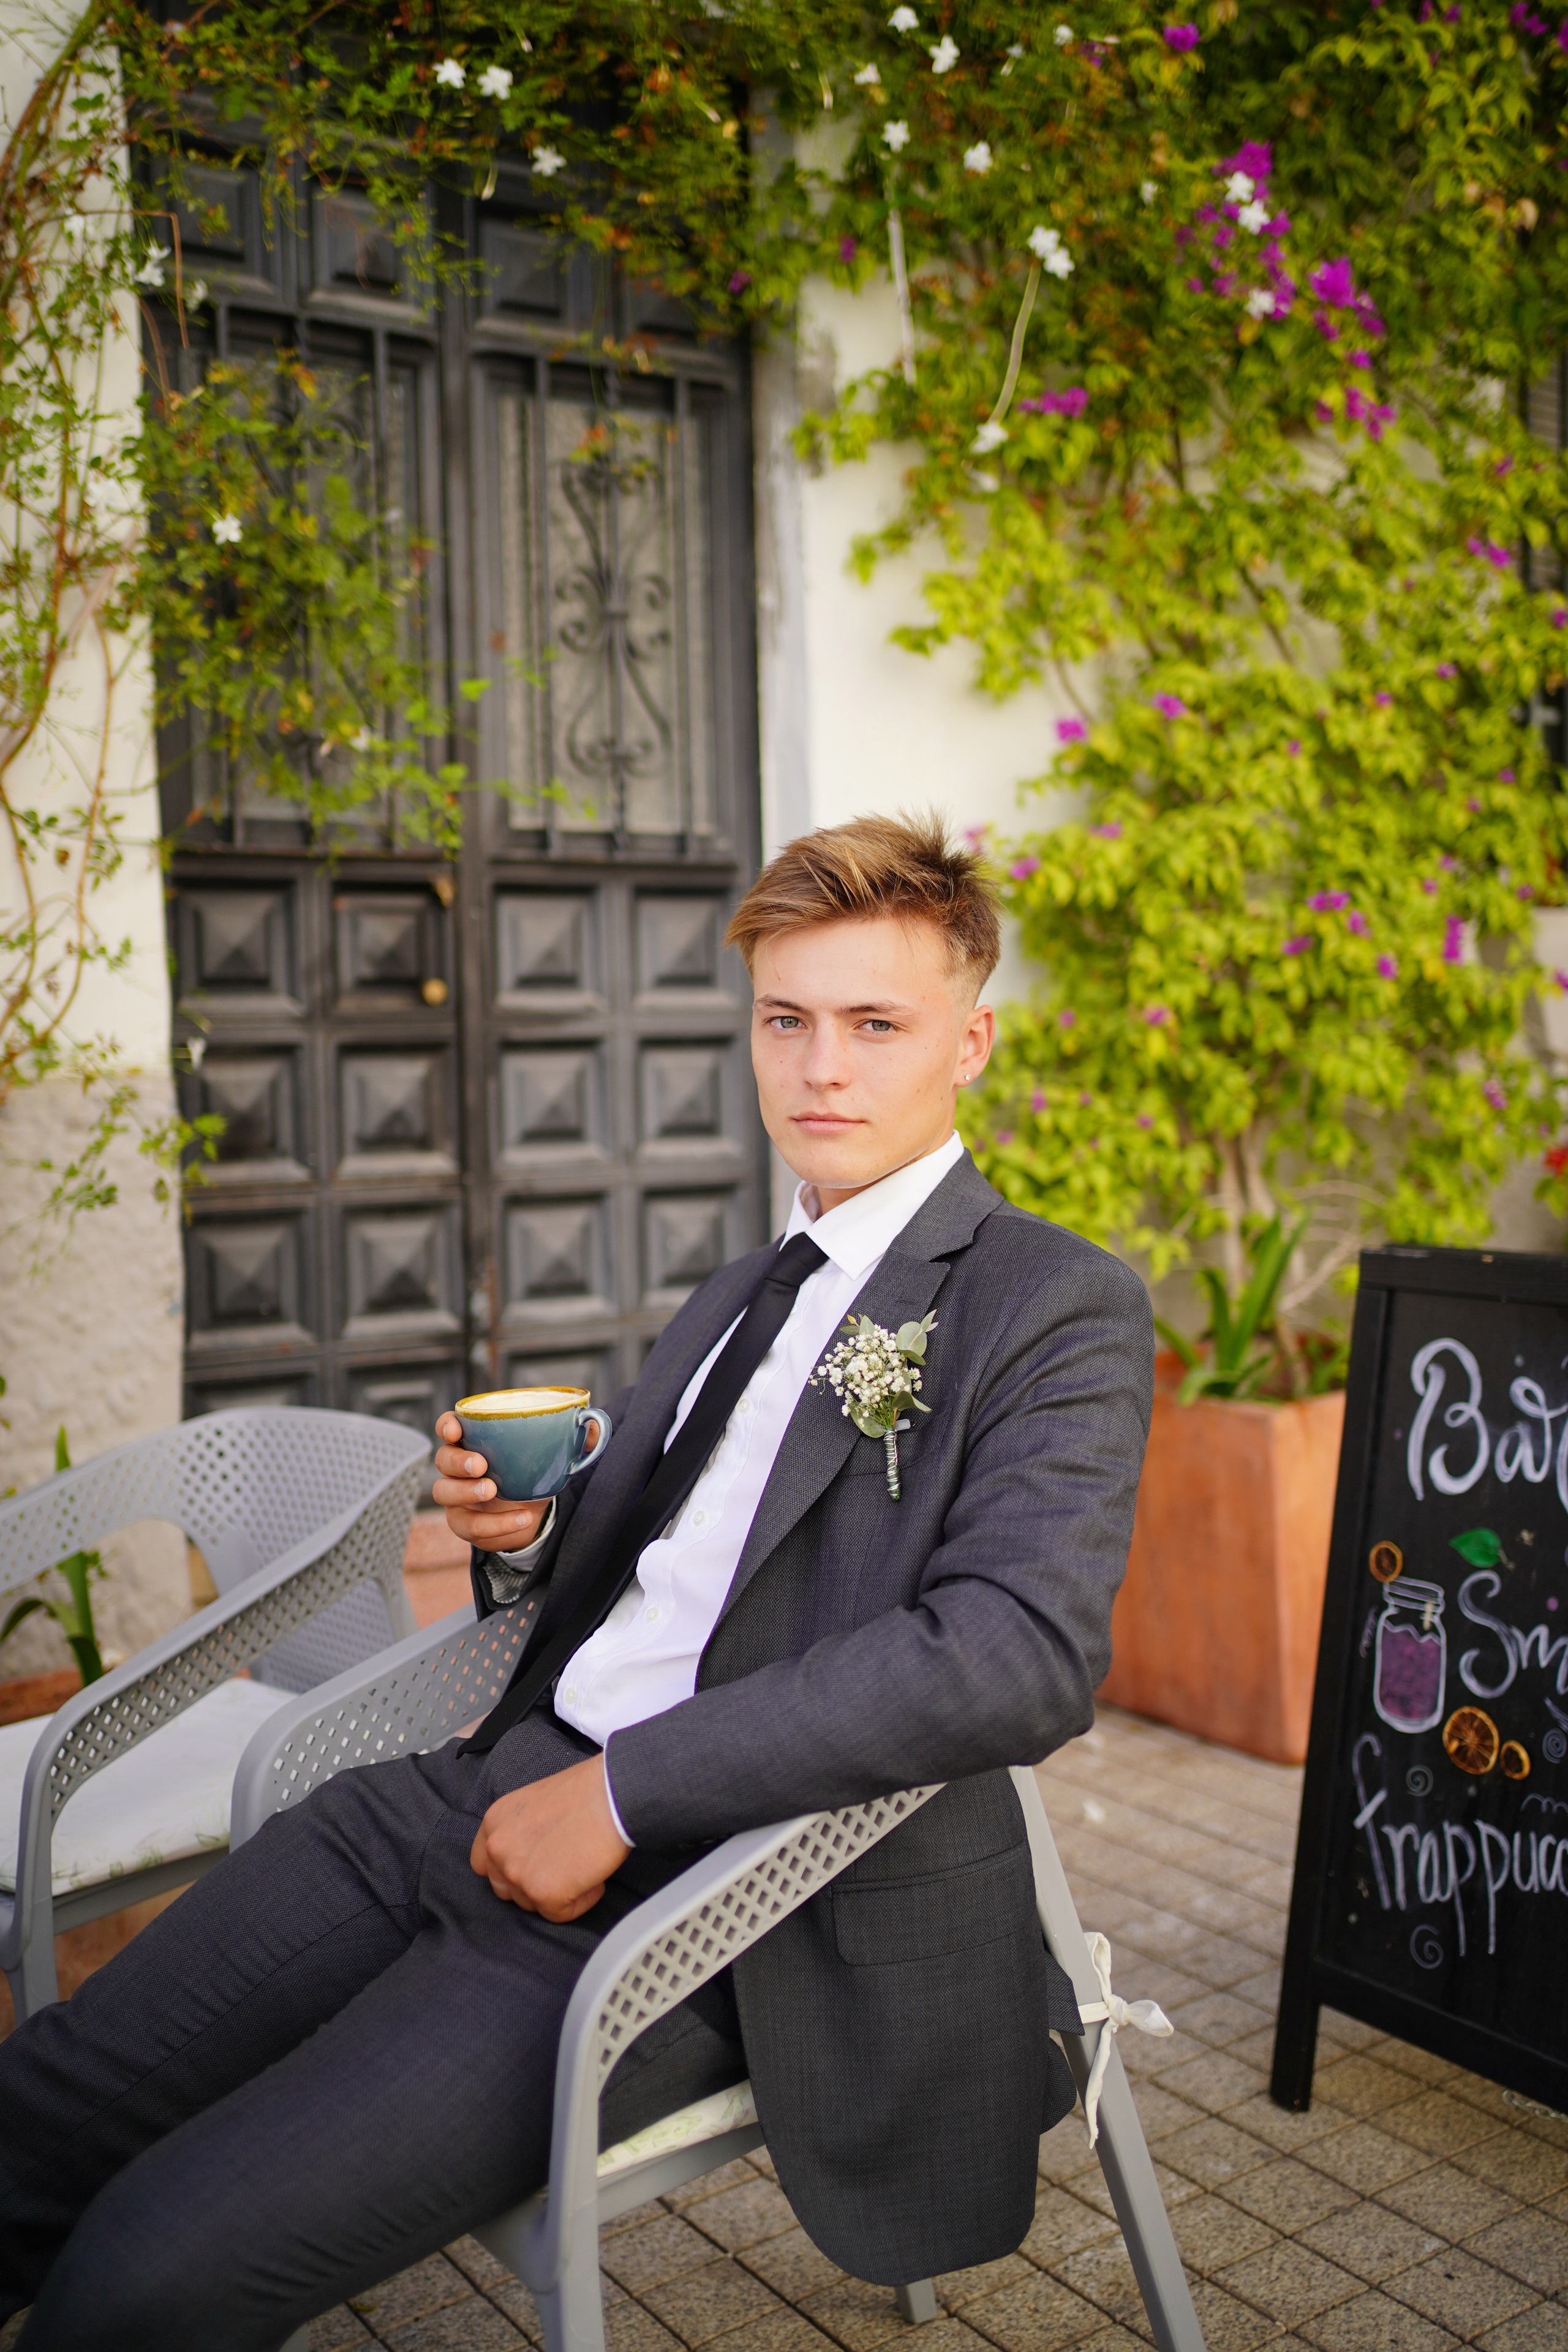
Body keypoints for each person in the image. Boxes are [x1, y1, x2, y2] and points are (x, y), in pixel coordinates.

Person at [0, 812, 1153, 2351]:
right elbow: (659, 1571)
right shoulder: (744, 1289)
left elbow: (1018, 1652)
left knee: (148, 2268)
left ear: (971, 1042)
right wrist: (526, 1536)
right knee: (45, 2105)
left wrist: (621, 1796)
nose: (822, 1069)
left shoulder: (1050, 1301)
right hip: (455, 1796)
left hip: (698, 1892)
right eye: (786, 1022)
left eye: (875, 1024)